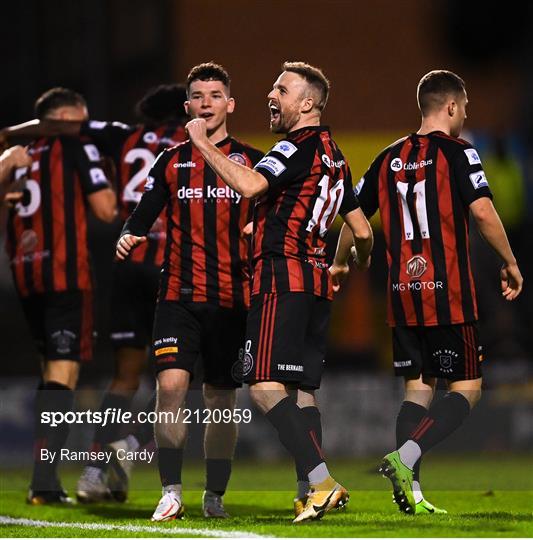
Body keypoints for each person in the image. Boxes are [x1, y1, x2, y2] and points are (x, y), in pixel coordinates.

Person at [185, 61, 373, 523]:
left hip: (280, 279)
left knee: (265, 387)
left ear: (306, 103)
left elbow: (250, 183)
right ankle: (306, 491)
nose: (271, 94)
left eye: (281, 89)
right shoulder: (336, 155)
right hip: (315, 285)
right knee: (302, 391)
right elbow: (363, 230)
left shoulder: (294, 145)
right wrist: (344, 263)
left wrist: (202, 142)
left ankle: (323, 481)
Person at [332, 70, 523, 514]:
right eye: (465, 107)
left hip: (402, 292)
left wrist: (341, 261)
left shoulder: (387, 158)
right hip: (448, 291)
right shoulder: (459, 152)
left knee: (417, 392)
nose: (465, 115)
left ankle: (412, 496)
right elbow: (482, 211)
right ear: (452, 107)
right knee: (468, 388)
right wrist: (510, 262)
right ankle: (406, 457)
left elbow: (353, 213)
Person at [2, 84, 190, 503]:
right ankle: (124, 452)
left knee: (124, 374)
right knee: (186, 377)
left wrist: (11, 134)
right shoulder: (196, 138)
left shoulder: (125, 135)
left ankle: (93, 469)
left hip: (120, 265)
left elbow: (61, 124)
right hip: (172, 268)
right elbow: (105, 206)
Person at [116, 63, 263, 520]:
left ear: (230, 104)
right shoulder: (172, 160)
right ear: (187, 107)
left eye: (216, 94)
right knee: (172, 386)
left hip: (232, 300)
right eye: (198, 96)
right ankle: (171, 490)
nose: (206, 103)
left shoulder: (254, 161)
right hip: (178, 295)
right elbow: (144, 213)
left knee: (221, 399)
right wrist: (130, 234)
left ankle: (213, 493)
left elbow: (268, 218)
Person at [4, 87, 116, 505]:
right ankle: (44, 481)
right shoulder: (74, 145)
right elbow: (105, 209)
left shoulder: (18, 153)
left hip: (26, 273)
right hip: (65, 273)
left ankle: (42, 479)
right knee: (63, 377)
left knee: (50, 371)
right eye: (82, 117)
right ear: (67, 116)